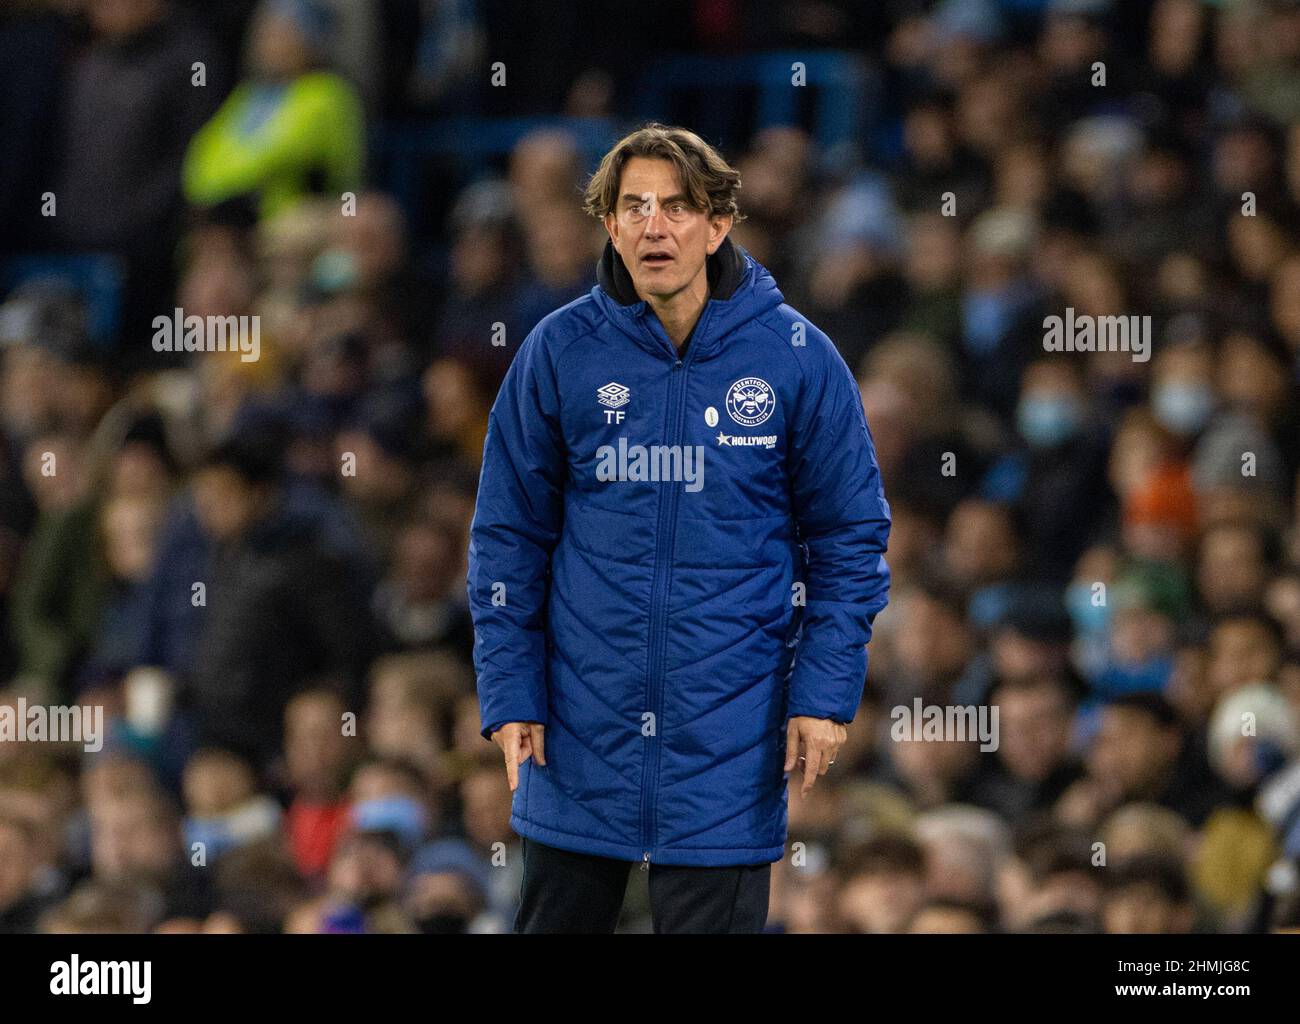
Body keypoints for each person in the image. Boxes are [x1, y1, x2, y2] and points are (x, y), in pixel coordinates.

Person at [468, 123, 892, 933]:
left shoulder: (798, 356)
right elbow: (507, 539)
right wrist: (510, 688)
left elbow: (849, 542)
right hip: (576, 729)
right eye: (633, 208)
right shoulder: (558, 353)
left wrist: (825, 696)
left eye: (676, 207)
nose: (653, 226)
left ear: (718, 224)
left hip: (731, 736)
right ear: (609, 225)